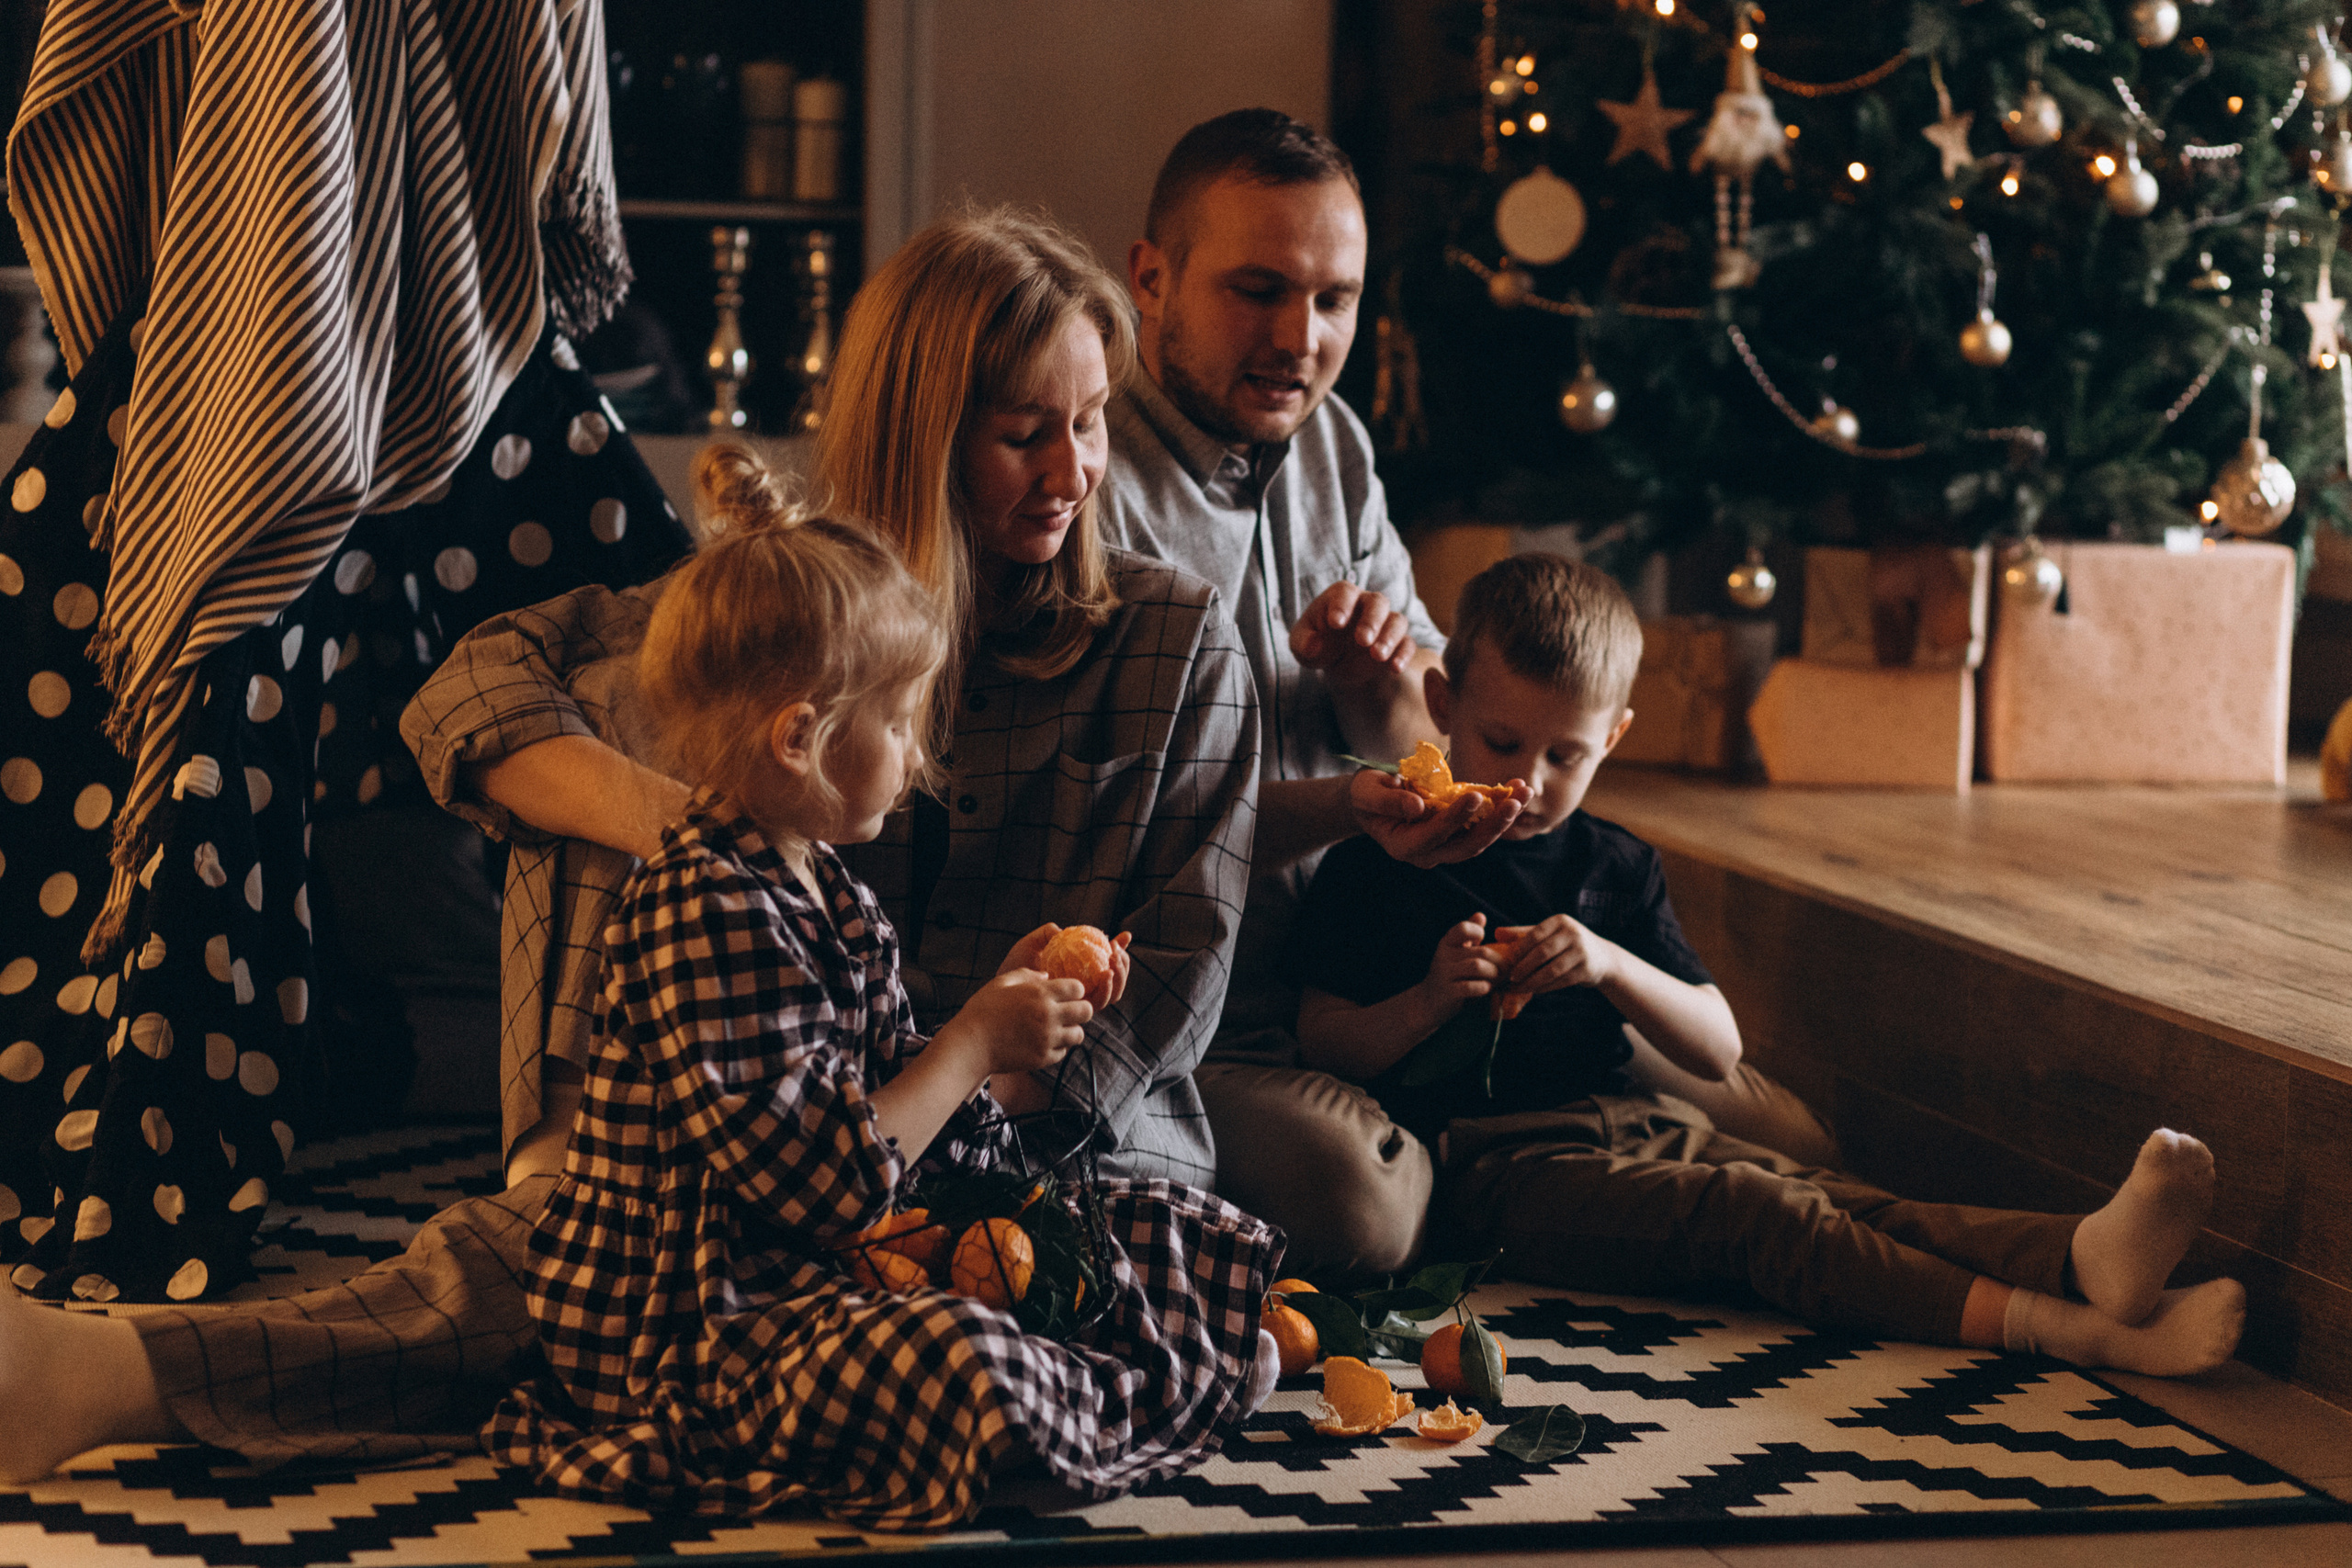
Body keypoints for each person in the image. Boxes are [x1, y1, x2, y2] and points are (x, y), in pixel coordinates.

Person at [0, 208, 1262, 1483]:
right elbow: (465, 691)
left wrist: (942, 1089)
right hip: (775, 1133)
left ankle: (150, 1368)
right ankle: (129, 1370)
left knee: (640, 1277)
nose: (1075, 468)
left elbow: (1182, 971)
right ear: (924, 433)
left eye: (1093, 419)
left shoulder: (1176, 636)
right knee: (623, 737)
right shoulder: (805, 609)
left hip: (1031, 1150)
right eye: (1024, 432)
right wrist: (701, 835)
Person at [1097, 107, 1837, 1277]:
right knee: (1369, 1207)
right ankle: (1544, 1178)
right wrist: (1356, 801)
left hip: (1419, 956)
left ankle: (1581, 1172)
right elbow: (1132, 830)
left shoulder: (1332, 442)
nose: (1301, 337)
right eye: (1257, 289)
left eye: (1334, 299)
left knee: (1795, 1137)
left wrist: (1378, 686)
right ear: (1150, 278)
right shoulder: (1090, 486)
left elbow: (1427, 743)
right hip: (1237, 1010)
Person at [478, 477, 1275, 1529]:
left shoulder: (822, 884)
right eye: (899, 724)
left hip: (835, 1263)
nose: (915, 757)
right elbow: (825, 1186)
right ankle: (1099, 1398)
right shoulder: (699, 908)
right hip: (704, 1320)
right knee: (958, 1359)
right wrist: (973, 1038)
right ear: (801, 737)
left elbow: (916, 1102)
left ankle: (1109, 1383)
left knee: (1150, 1223)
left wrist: (1006, 1003)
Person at [1290, 553, 2245, 1377]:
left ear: (1614, 738)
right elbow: (1323, 1039)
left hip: (1642, 1118)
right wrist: (1427, 1000)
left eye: (1566, 755)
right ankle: (2065, 1330)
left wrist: (1611, 966)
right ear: (1444, 704)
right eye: (1502, 743)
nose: (1529, 782)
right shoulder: (1386, 854)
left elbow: (1716, 1049)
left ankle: (2082, 1259)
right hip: (1496, 1164)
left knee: (1839, 1197)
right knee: (1751, 1213)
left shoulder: (1613, 865)